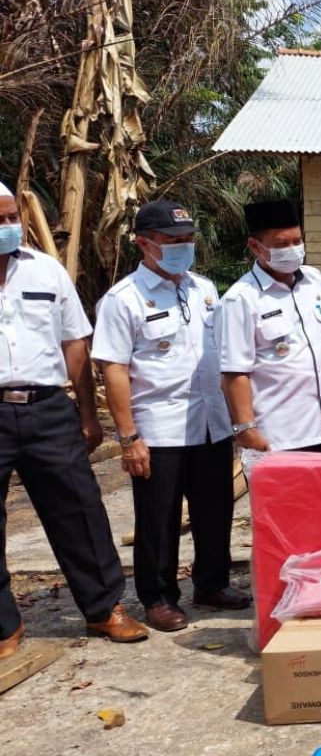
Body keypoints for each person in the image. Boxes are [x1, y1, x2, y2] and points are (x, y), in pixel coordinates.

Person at [0, 180, 148, 655]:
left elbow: (74, 344)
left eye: (11, 217)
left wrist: (88, 413)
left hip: (48, 408)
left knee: (79, 509)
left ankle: (105, 610)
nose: (8, 227)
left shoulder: (46, 271)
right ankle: (5, 626)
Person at [92, 201, 249, 632]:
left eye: (188, 239)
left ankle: (212, 583)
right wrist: (129, 438)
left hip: (210, 422)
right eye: (172, 240)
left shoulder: (204, 289)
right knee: (158, 519)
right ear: (144, 243)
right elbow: (114, 368)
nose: (183, 247)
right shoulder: (123, 300)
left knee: (214, 509)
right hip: (158, 428)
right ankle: (158, 597)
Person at [217, 200, 321, 454]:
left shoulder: (315, 281)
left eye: (297, 241)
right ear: (255, 246)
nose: (292, 250)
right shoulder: (240, 299)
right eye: (281, 244)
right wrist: (246, 430)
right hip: (284, 438)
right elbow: (234, 374)